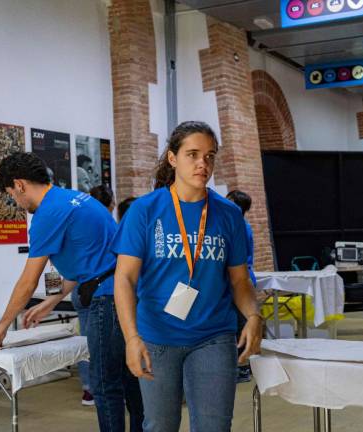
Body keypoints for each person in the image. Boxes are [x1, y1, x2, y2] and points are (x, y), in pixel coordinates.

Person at [0, 152, 144, 430]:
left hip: (105, 300)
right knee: (129, 377)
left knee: (105, 385)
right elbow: (80, 264)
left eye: (12, 195)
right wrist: (51, 301)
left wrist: (3, 325)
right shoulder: (73, 198)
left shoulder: (48, 213)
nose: (16, 203)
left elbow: (28, 280)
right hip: (114, 291)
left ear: (19, 185)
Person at [112, 121, 262, 432]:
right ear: (172, 158)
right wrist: (131, 338)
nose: (202, 164)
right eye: (192, 154)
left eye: (209, 156)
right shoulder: (145, 211)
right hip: (156, 337)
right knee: (159, 425)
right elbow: (124, 279)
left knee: (214, 426)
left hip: (213, 336)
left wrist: (253, 315)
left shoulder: (228, 214)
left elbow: (239, 281)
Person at [225, 190, 257, 383]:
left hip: (240, 281)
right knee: (239, 324)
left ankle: (243, 367)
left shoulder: (238, 227)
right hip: (240, 279)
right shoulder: (242, 225)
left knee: (240, 325)